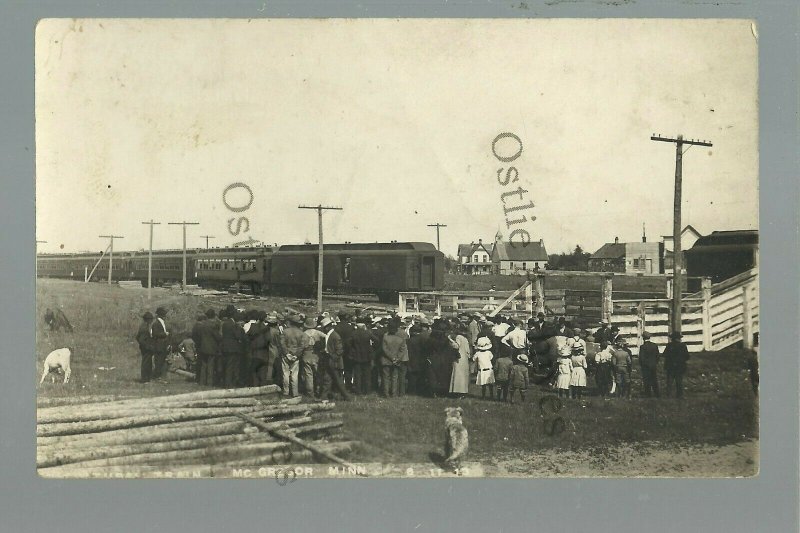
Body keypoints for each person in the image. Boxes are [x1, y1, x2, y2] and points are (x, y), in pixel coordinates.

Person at [319, 316, 352, 401]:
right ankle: (323, 397)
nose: (323, 329)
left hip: (334, 362)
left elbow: (340, 350)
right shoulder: (330, 335)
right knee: (327, 379)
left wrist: (332, 357)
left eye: (324, 328)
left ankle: (347, 397)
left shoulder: (335, 336)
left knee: (338, 381)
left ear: (328, 327)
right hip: (329, 360)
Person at [426, 320, 460, 397]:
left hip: (434, 358)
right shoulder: (446, 339)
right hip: (444, 358)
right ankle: (443, 392)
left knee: (434, 376)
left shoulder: (431, 338)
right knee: (443, 376)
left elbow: (427, 348)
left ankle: (434, 392)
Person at [279, 313, 307, 397]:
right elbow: (302, 346)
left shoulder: (285, 331)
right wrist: (296, 355)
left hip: (286, 355)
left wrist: (287, 353)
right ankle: (295, 393)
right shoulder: (301, 333)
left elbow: (282, 344)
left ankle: (286, 392)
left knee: (285, 374)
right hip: (296, 355)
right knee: (295, 375)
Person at [220, 305, 248, 388]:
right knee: (231, 366)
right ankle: (229, 384)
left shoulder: (225, 323)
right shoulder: (233, 324)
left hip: (225, 347)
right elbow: (238, 336)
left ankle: (227, 383)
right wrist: (240, 328)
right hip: (232, 348)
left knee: (228, 366)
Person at [381, 320, 408, 397]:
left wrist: (391, 357)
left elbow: (384, 349)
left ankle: (386, 393)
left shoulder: (385, 337)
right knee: (394, 377)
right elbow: (402, 350)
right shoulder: (400, 339)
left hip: (386, 359)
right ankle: (394, 393)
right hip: (396, 361)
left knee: (386, 377)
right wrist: (397, 358)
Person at [195, 309, 221, 386]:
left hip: (203, 347)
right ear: (213, 316)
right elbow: (217, 337)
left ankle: (202, 382)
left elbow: (199, 336)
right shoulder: (214, 325)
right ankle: (209, 383)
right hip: (211, 348)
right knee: (210, 366)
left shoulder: (202, 324)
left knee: (204, 365)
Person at [350, 318, 375, 395]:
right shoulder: (367, 333)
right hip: (367, 356)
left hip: (357, 356)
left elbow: (348, 343)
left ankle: (358, 391)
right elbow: (376, 340)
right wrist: (371, 347)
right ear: (364, 325)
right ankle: (367, 390)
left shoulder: (353, 333)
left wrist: (353, 349)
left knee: (357, 375)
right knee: (367, 375)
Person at [302, 317, 325, 397]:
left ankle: (310, 392)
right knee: (318, 373)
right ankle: (319, 390)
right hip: (316, 354)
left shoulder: (303, 334)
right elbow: (326, 337)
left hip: (306, 354)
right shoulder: (318, 332)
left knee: (308, 375)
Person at [406, 319, 430, 395]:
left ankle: (411, 391)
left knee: (412, 376)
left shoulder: (408, 341)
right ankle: (420, 390)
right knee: (420, 375)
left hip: (411, 359)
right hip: (420, 359)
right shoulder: (422, 339)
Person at [663, 331, 690, 398]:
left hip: (670, 366)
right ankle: (679, 395)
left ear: (672, 338)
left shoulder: (669, 345)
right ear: (679, 338)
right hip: (679, 366)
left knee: (669, 381)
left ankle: (668, 395)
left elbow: (664, 354)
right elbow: (687, 356)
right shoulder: (683, 346)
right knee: (679, 381)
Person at [248, 311, 271, 386]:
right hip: (263, 353)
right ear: (265, 318)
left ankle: (255, 386)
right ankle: (262, 387)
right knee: (263, 371)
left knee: (253, 371)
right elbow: (268, 340)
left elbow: (248, 337)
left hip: (254, 353)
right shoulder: (266, 328)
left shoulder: (252, 326)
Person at [335, 311, 356, 391]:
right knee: (348, 369)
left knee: (339, 369)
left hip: (339, 351)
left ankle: (339, 386)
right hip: (349, 351)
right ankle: (348, 385)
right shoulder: (350, 327)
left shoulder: (336, 327)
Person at [449, 326, 471, 397]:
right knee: (463, 376)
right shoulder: (465, 339)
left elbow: (456, 346)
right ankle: (463, 392)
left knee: (458, 375)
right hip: (464, 359)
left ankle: (457, 391)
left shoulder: (459, 337)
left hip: (459, 359)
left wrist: (450, 340)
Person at [638, 331, 661, 398]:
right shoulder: (654, 345)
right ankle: (657, 394)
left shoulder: (643, 347)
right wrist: (655, 363)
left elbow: (641, 358)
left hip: (645, 367)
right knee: (654, 380)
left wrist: (642, 365)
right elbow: (657, 356)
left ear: (643, 338)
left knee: (646, 380)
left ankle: (648, 395)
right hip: (653, 366)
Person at [150, 306, 171, 381]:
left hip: (162, 345)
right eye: (164, 314)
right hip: (158, 345)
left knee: (161, 361)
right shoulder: (156, 323)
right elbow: (155, 334)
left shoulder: (160, 322)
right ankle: (157, 376)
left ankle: (159, 376)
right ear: (162, 315)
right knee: (159, 361)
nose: (165, 316)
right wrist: (165, 334)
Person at [136, 311, 155, 383]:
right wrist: (148, 346)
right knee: (146, 363)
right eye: (151, 319)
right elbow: (141, 339)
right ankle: (144, 379)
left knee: (147, 363)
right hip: (146, 349)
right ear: (148, 319)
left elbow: (137, 337)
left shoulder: (144, 325)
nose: (152, 320)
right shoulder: (144, 327)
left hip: (145, 348)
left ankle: (146, 378)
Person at [264, 313, 282, 386]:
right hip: (274, 348)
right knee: (273, 365)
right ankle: (271, 380)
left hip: (266, 348)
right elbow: (278, 342)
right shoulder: (276, 331)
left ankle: (267, 378)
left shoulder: (265, 330)